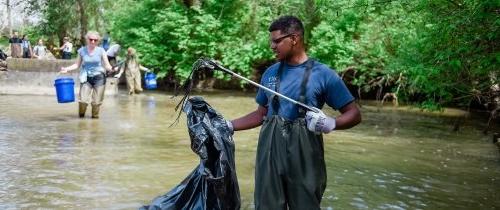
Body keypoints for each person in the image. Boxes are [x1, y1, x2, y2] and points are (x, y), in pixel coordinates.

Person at [226, 16, 361, 209]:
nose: (272, 46)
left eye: (277, 41)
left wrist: (331, 123)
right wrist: (229, 125)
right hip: (270, 153)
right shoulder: (269, 74)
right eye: (270, 41)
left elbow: (354, 114)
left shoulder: (324, 75)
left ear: (295, 38)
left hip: (305, 156)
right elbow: (260, 114)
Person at [59, 31, 113, 118]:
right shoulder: (82, 51)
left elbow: (107, 65)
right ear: (87, 40)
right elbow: (77, 65)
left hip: (99, 78)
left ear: (98, 41)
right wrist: (66, 69)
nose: (93, 42)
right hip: (86, 77)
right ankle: (81, 118)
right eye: (91, 39)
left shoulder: (101, 51)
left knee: (96, 103)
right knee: (83, 101)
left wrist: (111, 68)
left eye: (95, 40)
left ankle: (95, 122)